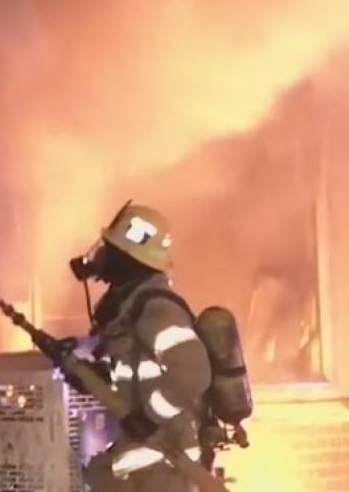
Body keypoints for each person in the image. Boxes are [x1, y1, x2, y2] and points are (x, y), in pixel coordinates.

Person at [70, 202, 213, 492]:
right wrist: (94, 377)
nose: (101, 256)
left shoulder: (155, 307)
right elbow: (139, 373)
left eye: (109, 248)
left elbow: (193, 372)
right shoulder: (133, 308)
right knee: (97, 475)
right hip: (146, 460)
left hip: (162, 462)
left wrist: (149, 416)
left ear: (127, 256)